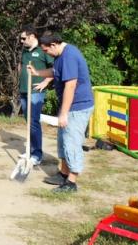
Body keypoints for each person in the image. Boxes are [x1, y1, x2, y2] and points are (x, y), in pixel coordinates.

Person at [27, 31, 94, 193]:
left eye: (46, 50)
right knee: (63, 141)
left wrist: (63, 113)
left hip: (77, 106)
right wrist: (37, 73)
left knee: (72, 142)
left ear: (54, 45)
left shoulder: (69, 56)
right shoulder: (60, 57)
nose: (46, 53)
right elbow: (54, 71)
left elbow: (70, 86)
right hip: (69, 106)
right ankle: (63, 174)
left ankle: (71, 182)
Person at [18, 24, 53, 165]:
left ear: (32, 36)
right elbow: (21, 65)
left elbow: (54, 69)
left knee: (33, 122)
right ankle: (30, 150)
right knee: (28, 122)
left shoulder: (43, 50)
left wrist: (45, 83)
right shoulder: (25, 51)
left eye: (23, 38)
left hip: (36, 92)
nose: (21, 41)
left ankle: (37, 154)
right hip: (24, 90)